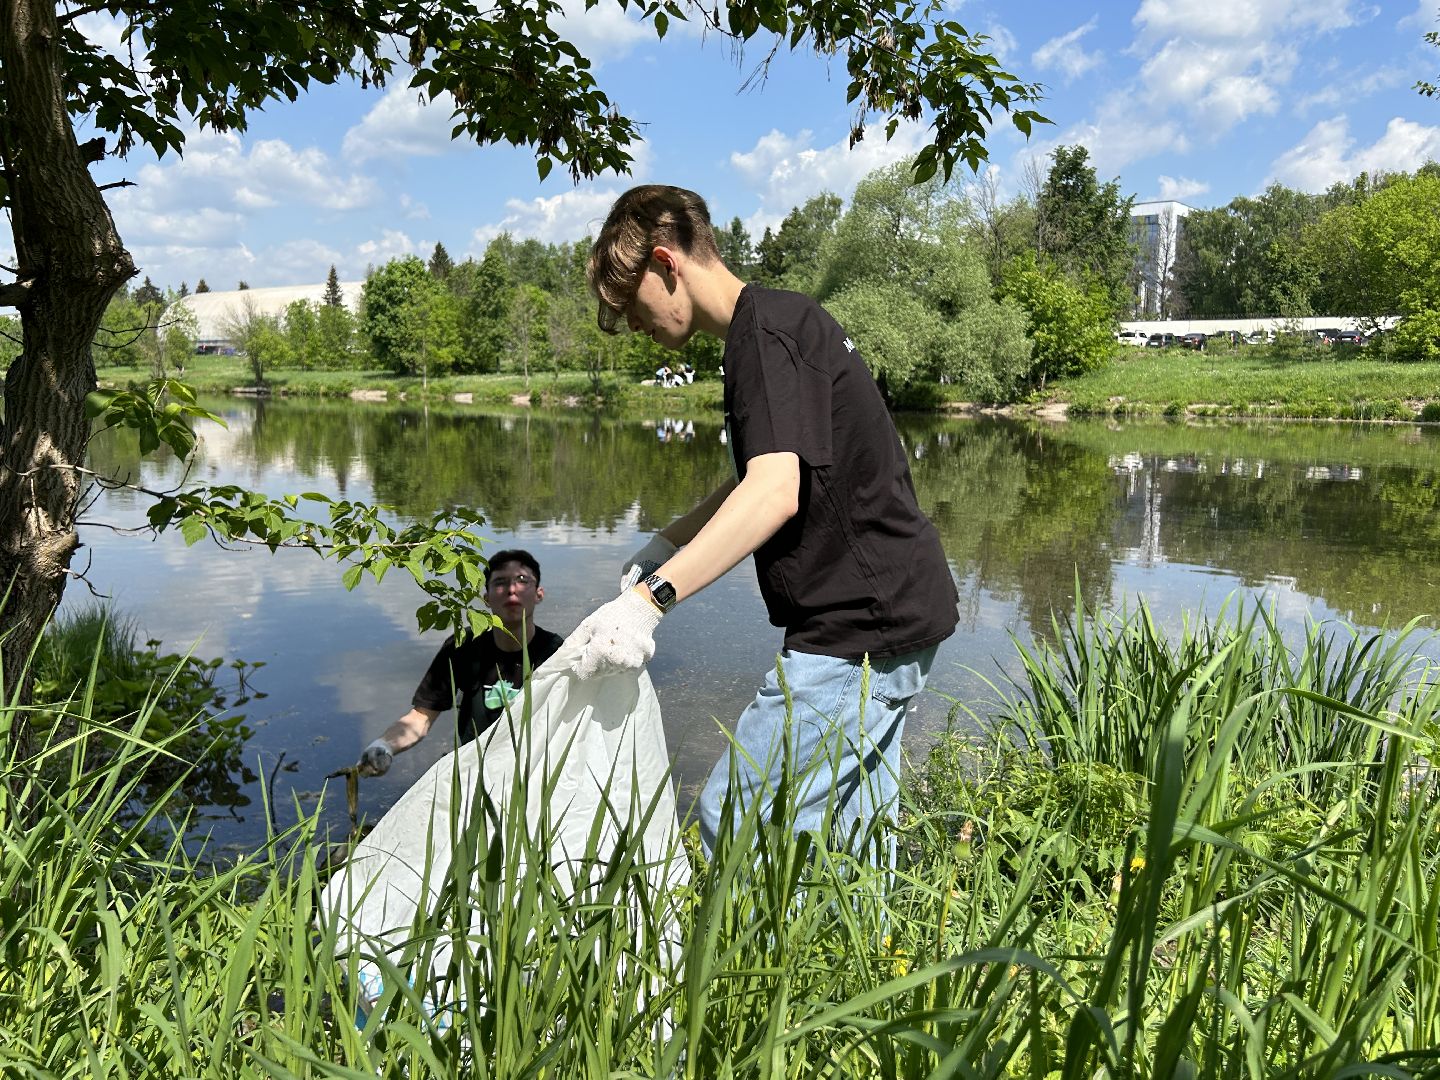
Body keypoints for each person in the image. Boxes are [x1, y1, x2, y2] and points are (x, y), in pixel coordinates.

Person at [568, 185, 959, 855]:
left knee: (738, 822)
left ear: (666, 264)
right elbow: (767, 476)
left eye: (632, 307)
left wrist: (647, 603)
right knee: (853, 840)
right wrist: (670, 541)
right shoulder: (777, 325)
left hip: (856, 629)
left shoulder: (764, 334)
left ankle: (742, 956)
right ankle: (852, 957)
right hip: (893, 612)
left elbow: (775, 492)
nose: (635, 327)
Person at [357, 549, 565, 776]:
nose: (512, 590)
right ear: (486, 598)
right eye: (500, 582)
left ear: (539, 594)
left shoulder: (556, 651)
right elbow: (421, 717)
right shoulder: (463, 646)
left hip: (535, 771)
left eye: (522, 580)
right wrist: (383, 746)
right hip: (473, 771)